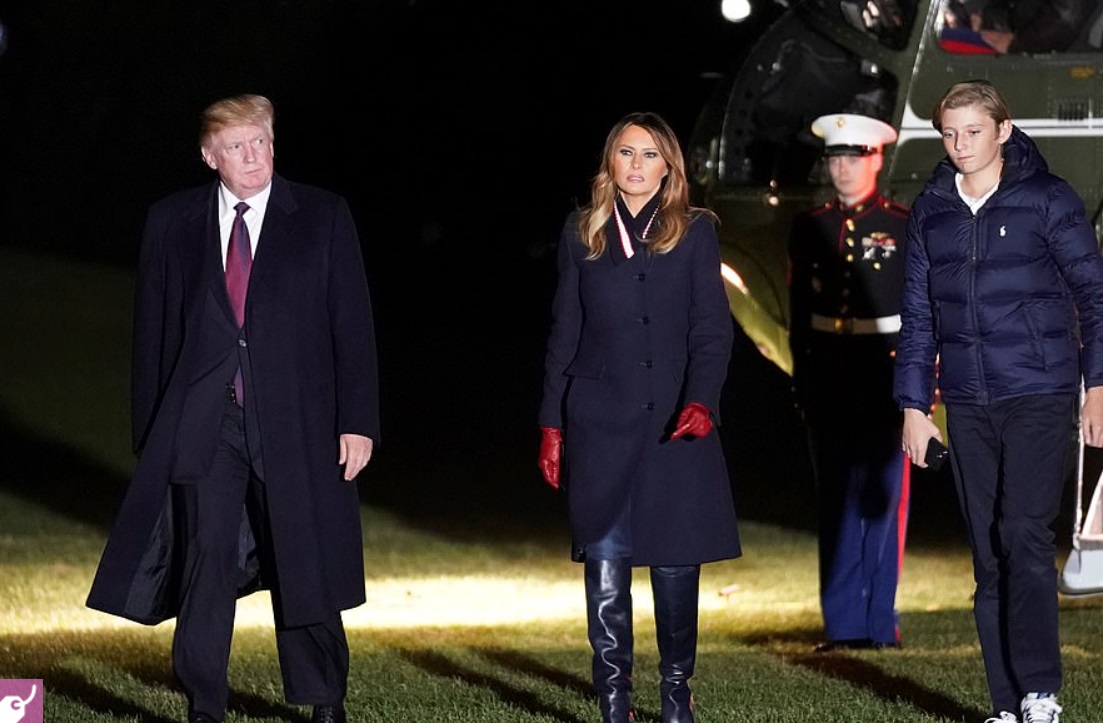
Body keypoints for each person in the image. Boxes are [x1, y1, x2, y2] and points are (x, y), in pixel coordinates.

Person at [86, 94, 380, 723]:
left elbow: (352, 327)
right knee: (205, 566)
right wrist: (152, 433)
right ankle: (205, 705)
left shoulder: (322, 216)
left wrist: (358, 421)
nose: (253, 157)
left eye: (262, 142)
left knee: (303, 562)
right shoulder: (172, 220)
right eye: (237, 146)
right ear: (208, 155)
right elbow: (154, 333)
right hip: (204, 425)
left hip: (296, 424)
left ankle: (325, 701)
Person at [895, 79, 1103, 723]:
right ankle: (1007, 705)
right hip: (966, 398)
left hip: (1038, 390)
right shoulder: (931, 211)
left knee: (1023, 536)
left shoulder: (1047, 199)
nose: (960, 145)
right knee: (988, 555)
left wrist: (1097, 386)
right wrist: (913, 407)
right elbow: (917, 318)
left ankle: (1041, 691)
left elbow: (1096, 299)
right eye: (949, 133)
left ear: (1004, 131)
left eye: (973, 131)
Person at [537, 111, 741, 723]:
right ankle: (614, 701)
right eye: (626, 153)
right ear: (610, 162)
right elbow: (563, 333)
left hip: (677, 423)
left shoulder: (696, 230)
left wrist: (702, 399)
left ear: (669, 167)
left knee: (677, 561)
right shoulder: (582, 232)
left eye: (649, 155)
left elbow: (712, 328)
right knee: (606, 559)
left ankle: (676, 693)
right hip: (600, 422)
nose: (636, 165)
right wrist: (552, 422)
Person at [787, 113, 910, 653]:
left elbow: (921, 312)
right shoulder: (809, 226)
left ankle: (879, 622)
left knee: (882, 501)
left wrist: (920, 383)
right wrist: (802, 376)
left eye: (853, 158)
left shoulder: (904, 225)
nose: (841, 168)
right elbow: (797, 313)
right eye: (835, 158)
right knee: (836, 498)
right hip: (829, 372)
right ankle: (842, 625)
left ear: (876, 160)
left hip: (883, 370)